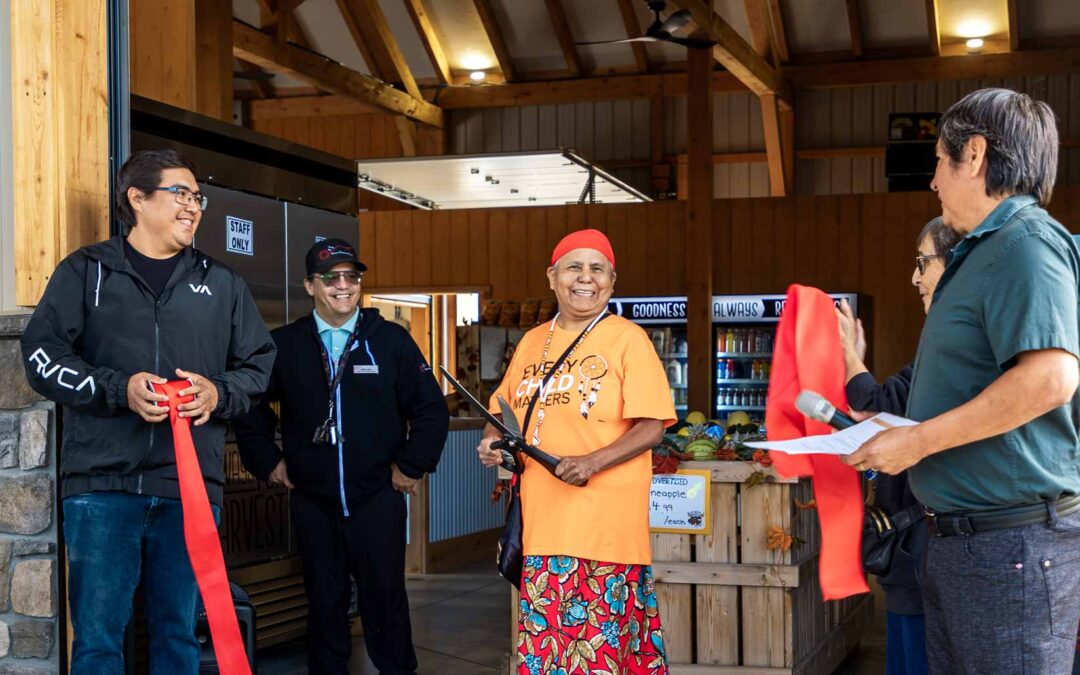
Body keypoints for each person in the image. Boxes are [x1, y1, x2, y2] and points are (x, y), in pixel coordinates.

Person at [844, 88, 1080, 674]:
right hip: (968, 548)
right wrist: (898, 424)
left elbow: (1050, 378)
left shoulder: (1024, 244)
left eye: (937, 162)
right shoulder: (985, 251)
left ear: (972, 155)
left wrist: (917, 442)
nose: (932, 181)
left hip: (1009, 550)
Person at [20, 149, 276, 673]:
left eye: (197, 196)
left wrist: (218, 393)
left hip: (189, 491)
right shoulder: (85, 271)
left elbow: (260, 365)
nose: (193, 207)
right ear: (136, 198)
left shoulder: (222, 284)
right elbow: (41, 356)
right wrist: (119, 388)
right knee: (96, 641)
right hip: (101, 489)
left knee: (178, 635)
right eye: (179, 193)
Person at [234, 238, 449, 675]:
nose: (344, 286)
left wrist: (411, 465)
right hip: (313, 503)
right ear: (311, 285)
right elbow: (249, 404)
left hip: (376, 500)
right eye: (332, 278)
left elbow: (430, 409)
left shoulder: (389, 341)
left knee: (385, 601)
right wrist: (268, 462)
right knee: (324, 605)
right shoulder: (285, 345)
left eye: (352, 277)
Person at [477, 228, 676, 674]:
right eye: (573, 267)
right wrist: (491, 443)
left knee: (601, 659)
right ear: (552, 277)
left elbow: (652, 427)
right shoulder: (530, 342)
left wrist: (592, 462)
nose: (585, 278)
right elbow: (502, 412)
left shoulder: (628, 339)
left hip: (605, 534)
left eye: (597, 269)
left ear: (611, 280)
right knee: (546, 660)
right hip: (541, 532)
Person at [836, 217, 961, 675]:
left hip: (925, 546)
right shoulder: (949, 340)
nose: (914, 277)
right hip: (927, 547)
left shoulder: (952, 346)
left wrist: (848, 353)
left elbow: (871, 406)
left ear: (956, 265)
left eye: (922, 262)